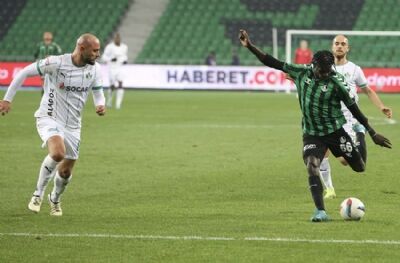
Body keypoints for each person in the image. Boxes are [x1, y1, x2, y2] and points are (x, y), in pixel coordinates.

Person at [239, 29, 391, 222]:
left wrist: (370, 132)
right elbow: (271, 61)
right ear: (314, 66)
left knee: (359, 167)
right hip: (312, 133)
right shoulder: (301, 71)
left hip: (335, 131)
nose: (325, 74)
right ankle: (320, 211)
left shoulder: (337, 83)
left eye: (329, 71)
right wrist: (250, 46)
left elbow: (354, 109)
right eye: (322, 70)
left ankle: (358, 134)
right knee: (312, 166)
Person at [0, 33, 106, 216]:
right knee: (58, 153)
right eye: (95, 50)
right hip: (49, 117)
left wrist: (100, 104)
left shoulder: (95, 69)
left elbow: (98, 92)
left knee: (65, 172)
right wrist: (7, 99)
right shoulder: (56, 63)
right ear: (82, 48)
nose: (98, 54)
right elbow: (25, 72)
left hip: (73, 125)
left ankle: (55, 198)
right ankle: (37, 194)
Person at [320, 35, 393, 199]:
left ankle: (360, 131)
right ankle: (329, 189)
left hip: (348, 119)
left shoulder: (354, 69)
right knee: (323, 151)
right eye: (336, 44)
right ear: (332, 47)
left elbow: (367, 90)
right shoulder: (324, 67)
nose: (339, 46)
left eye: (343, 44)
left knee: (345, 161)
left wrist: (381, 106)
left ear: (348, 48)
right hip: (328, 118)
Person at [102, 33, 128, 109]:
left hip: (120, 67)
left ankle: (118, 105)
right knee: (112, 86)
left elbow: (124, 56)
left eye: (119, 38)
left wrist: (125, 60)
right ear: (114, 39)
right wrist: (110, 59)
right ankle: (109, 101)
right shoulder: (109, 47)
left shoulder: (124, 47)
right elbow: (103, 57)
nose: (117, 39)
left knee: (120, 83)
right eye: (116, 38)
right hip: (112, 68)